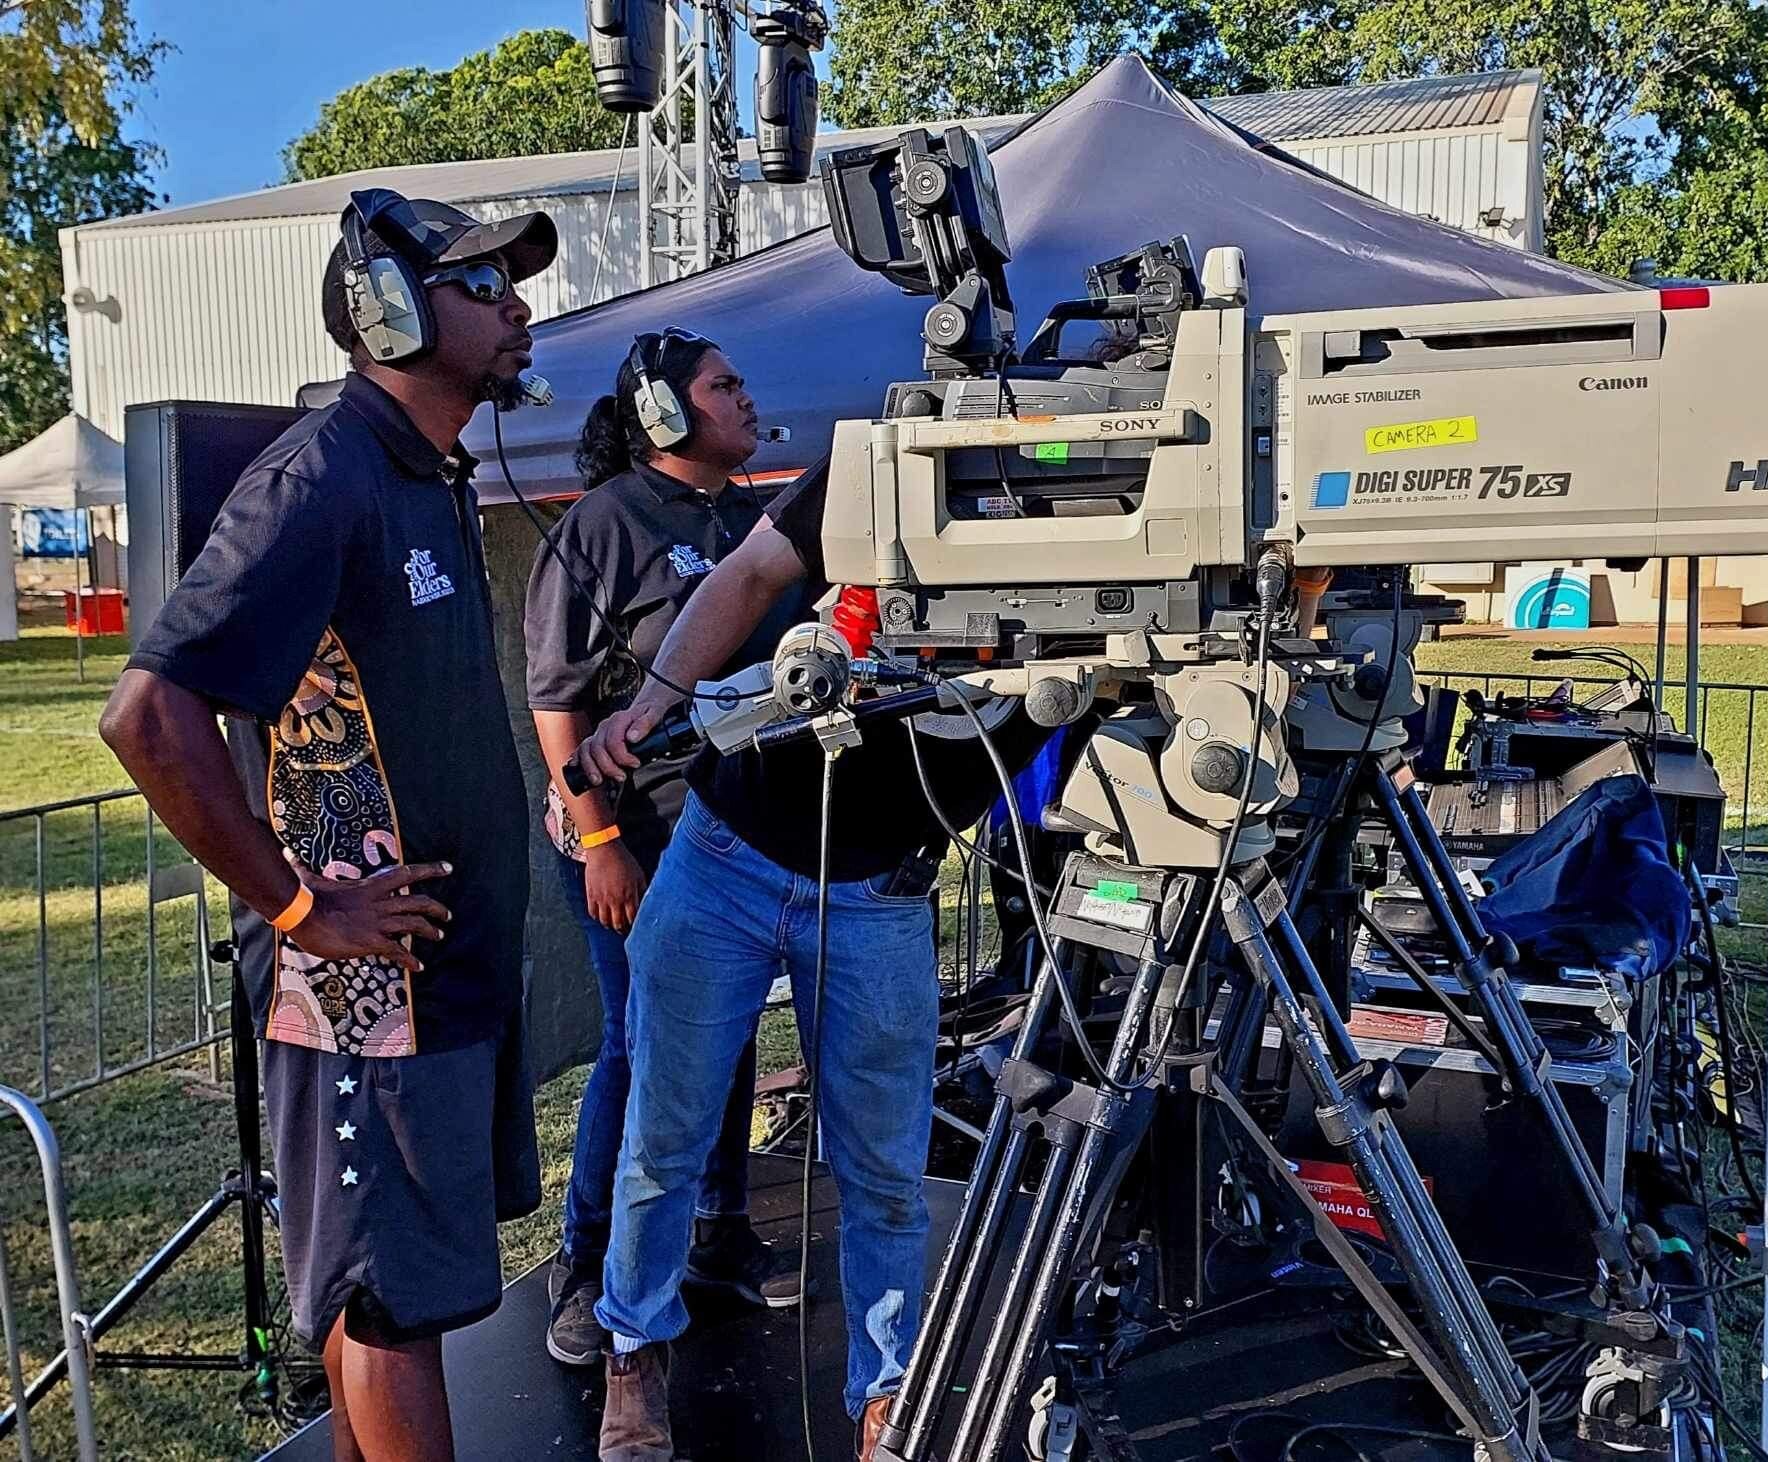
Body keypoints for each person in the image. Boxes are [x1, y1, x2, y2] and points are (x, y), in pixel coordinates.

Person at [100, 189, 556, 1462]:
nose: (519, 306)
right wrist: (302, 907)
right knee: (389, 1304)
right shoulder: (321, 476)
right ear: (388, 310)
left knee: (386, 1292)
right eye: (483, 286)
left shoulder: (429, 473)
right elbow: (148, 715)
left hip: (437, 976)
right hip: (362, 988)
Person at [572, 456, 1053, 1462]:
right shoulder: (898, 458)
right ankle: (633, 1343)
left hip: (882, 895)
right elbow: (749, 573)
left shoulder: (1180, 532)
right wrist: (651, 702)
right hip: (724, 852)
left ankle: (883, 1396)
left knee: (881, 1170)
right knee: (667, 1131)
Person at [524, 329, 804, 1368]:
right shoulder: (598, 525)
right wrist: (599, 840)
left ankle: (716, 1236)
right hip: (628, 833)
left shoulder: (748, 519)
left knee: (724, 1038)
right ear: (661, 410)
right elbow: (555, 704)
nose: (743, 397)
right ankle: (587, 1268)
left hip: (730, 828)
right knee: (642, 1043)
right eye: (723, 384)